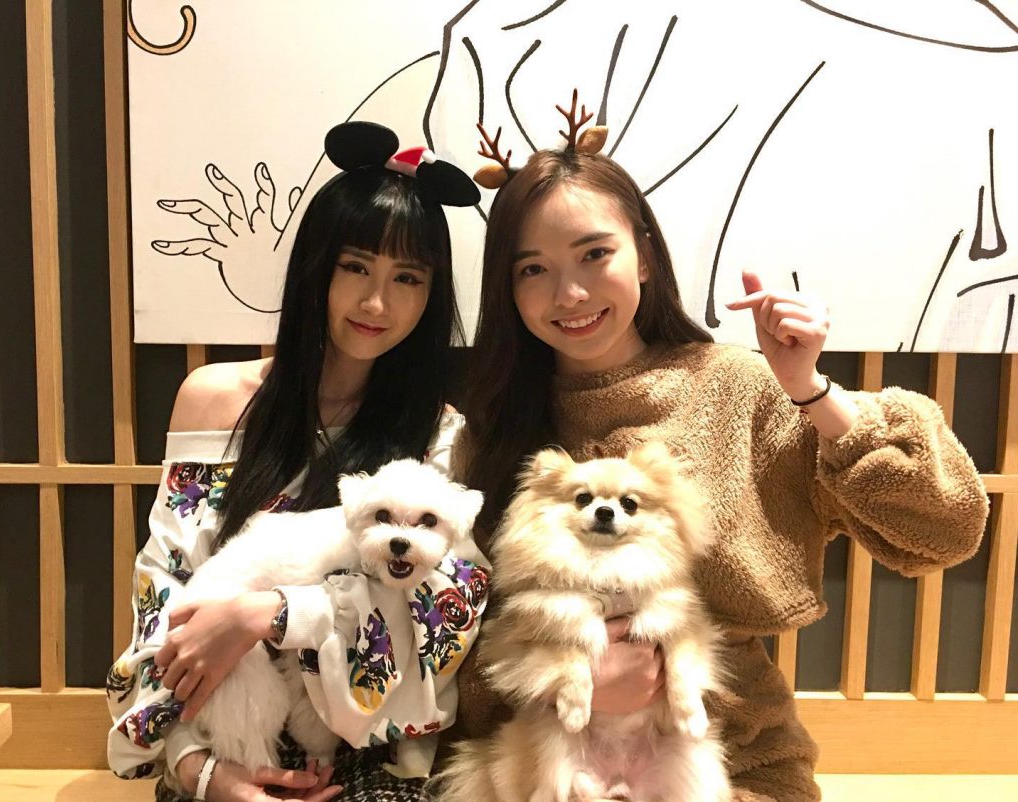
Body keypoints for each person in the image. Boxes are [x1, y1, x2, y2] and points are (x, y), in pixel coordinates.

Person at [451, 115, 989, 801]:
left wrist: (809, 390)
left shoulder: (737, 388)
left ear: (644, 256)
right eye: (534, 269)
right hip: (546, 762)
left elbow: (946, 530)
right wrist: (568, 676)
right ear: (507, 286)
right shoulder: (491, 429)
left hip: (734, 762)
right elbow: (458, 644)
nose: (571, 294)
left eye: (594, 254)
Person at [107, 121, 482, 802]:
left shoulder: (439, 436)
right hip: (217, 740)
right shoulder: (214, 400)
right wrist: (198, 768)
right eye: (355, 266)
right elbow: (163, 591)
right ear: (316, 266)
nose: (377, 302)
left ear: (432, 296)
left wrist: (272, 613)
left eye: (407, 277)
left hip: (367, 751)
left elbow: (440, 619)